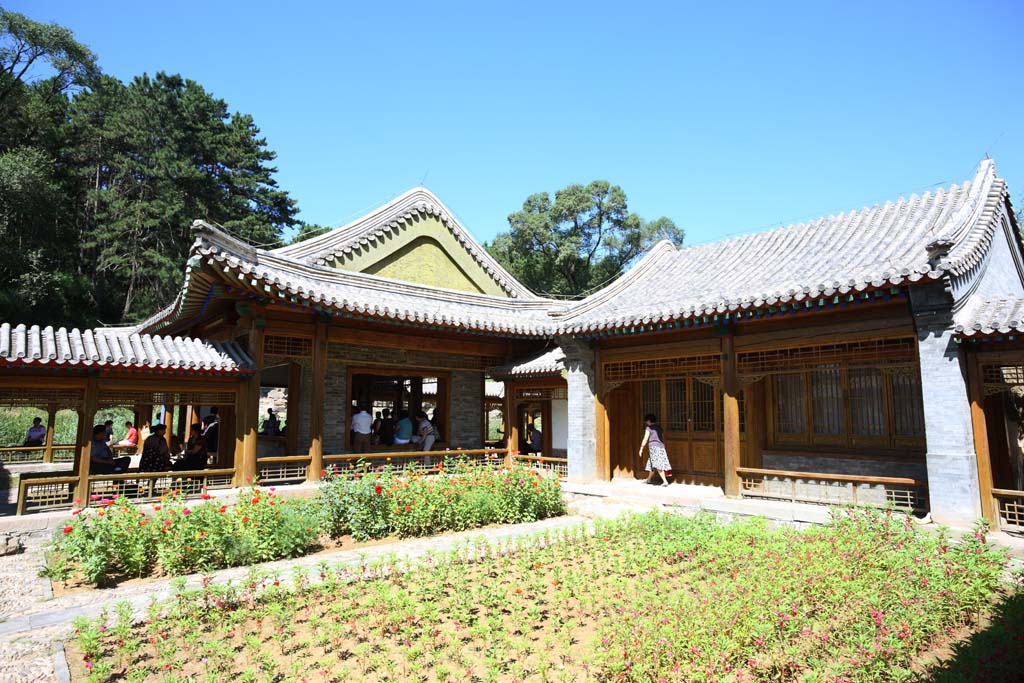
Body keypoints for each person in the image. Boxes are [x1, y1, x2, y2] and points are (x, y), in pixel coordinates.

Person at [639, 413, 670, 486]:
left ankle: (665, 481)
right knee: (652, 464)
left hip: (654, 447)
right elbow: (662, 438)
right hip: (661, 446)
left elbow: (645, 438)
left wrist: (641, 448)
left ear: (649, 421)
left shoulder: (649, 428)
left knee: (658, 464)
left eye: (646, 421)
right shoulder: (659, 427)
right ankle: (649, 479)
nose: (646, 423)